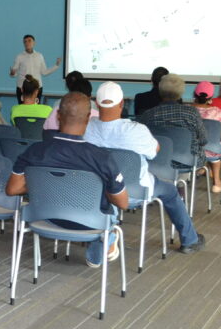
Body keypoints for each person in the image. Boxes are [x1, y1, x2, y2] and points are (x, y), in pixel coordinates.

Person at [6, 92, 127, 266]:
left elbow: (12, 189)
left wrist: (44, 184)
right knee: (112, 210)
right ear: (88, 118)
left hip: (44, 218)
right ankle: (103, 241)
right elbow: (123, 203)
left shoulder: (34, 151)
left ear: (58, 115)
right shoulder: (102, 157)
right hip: (89, 223)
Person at [84, 82, 204, 253]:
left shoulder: (86, 127)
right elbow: (155, 151)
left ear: (96, 103)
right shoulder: (136, 130)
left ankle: (103, 234)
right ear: (121, 103)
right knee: (170, 191)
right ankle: (189, 240)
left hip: (96, 191)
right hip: (134, 191)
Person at [137, 74, 208, 167]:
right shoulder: (192, 113)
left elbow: (140, 140)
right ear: (181, 92)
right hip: (189, 161)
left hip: (158, 161)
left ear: (160, 90)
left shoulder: (148, 115)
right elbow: (203, 140)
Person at [191, 81, 221, 193]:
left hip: (189, 152)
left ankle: (200, 169)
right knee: (215, 151)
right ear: (211, 97)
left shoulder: (187, 110)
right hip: (210, 152)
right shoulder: (216, 112)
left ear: (195, 94)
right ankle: (217, 183)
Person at [9, 34, 60, 104]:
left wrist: (56, 65)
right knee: (22, 110)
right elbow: (14, 73)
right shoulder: (19, 56)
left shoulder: (39, 56)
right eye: (25, 42)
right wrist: (12, 73)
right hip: (22, 88)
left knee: (36, 110)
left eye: (29, 41)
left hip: (37, 88)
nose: (27, 43)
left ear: (34, 43)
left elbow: (44, 72)